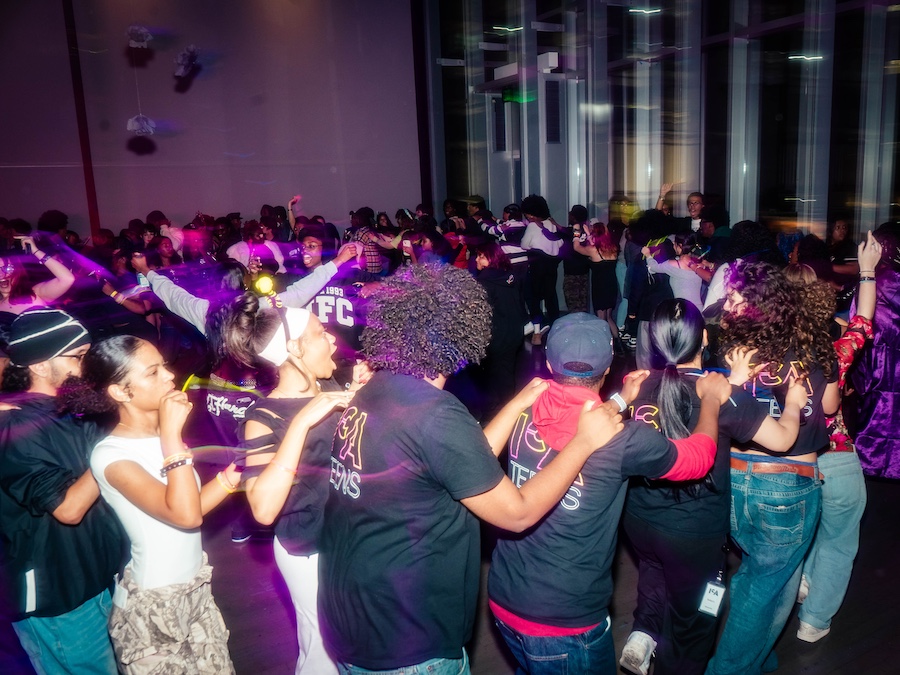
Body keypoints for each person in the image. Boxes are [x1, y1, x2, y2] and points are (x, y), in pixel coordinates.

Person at [319, 264, 626, 674]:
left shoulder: (377, 389)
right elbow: (517, 514)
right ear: (461, 334)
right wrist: (584, 441)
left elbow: (463, 462)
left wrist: (516, 405)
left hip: (353, 618)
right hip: (408, 641)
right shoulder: (436, 414)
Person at [486, 311, 733, 675]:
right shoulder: (625, 440)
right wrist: (710, 400)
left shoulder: (522, 407)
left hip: (504, 597)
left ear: (549, 363)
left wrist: (621, 399)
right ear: (607, 368)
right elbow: (697, 460)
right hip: (565, 623)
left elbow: (574, 412)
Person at [621, 299, 804, 675]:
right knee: (695, 625)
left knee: (654, 571)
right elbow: (783, 439)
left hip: (638, 521)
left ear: (656, 341)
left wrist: (733, 384)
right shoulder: (726, 398)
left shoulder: (634, 387)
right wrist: (794, 404)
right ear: (704, 338)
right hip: (694, 538)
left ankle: (643, 633)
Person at [62, 335, 240, 673]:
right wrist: (171, 438)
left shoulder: (161, 438)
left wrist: (235, 474)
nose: (170, 376)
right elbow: (185, 516)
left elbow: (190, 507)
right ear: (120, 392)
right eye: (153, 372)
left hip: (195, 589)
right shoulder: (111, 455)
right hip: (155, 606)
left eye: (164, 367)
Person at [705, 260, 839, 675]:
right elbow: (829, 407)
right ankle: (728, 668)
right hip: (786, 487)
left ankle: (756, 655)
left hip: (735, 478)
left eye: (735, 297)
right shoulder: (813, 343)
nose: (728, 305)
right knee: (762, 584)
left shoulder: (729, 349)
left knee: (769, 579)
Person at [0, 308, 127, 674]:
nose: (87, 367)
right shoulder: (14, 426)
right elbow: (68, 508)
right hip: (57, 599)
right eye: (77, 356)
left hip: (98, 579)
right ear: (40, 365)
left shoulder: (71, 409)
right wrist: (117, 441)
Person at [240, 308, 357, 674]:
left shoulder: (331, 387)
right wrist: (303, 421)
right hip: (310, 548)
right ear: (294, 348)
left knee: (357, 641)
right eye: (321, 332)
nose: (332, 338)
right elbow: (262, 508)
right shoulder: (263, 418)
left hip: (352, 537)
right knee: (324, 650)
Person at [793, 232, 882, 643]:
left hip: (789, 457)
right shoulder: (832, 350)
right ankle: (814, 621)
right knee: (840, 538)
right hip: (835, 455)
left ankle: (805, 577)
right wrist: (867, 271)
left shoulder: (767, 351)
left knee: (800, 531)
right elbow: (863, 323)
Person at [521, 194, 563, 345]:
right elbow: (560, 243)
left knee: (533, 298)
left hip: (537, 264)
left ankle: (537, 333)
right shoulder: (552, 224)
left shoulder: (533, 226)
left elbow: (524, 244)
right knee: (551, 297)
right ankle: (556, 330)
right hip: (552, 265)